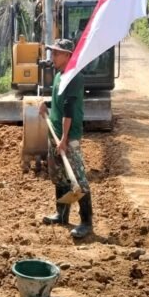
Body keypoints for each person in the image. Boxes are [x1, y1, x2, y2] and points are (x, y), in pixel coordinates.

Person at [39, 38, 93, 238]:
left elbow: (69, 111)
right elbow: (60, 103)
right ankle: (61, 215)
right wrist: (47, 103)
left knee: (77, 178)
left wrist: (63, 139)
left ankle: (86, 222)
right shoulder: (59, 75)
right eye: (52, 52)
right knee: (60, 176)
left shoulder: (74, 77)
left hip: (68, 137)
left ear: (68, 56)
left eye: (56, 53)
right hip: (55, 132)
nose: (52, 56)